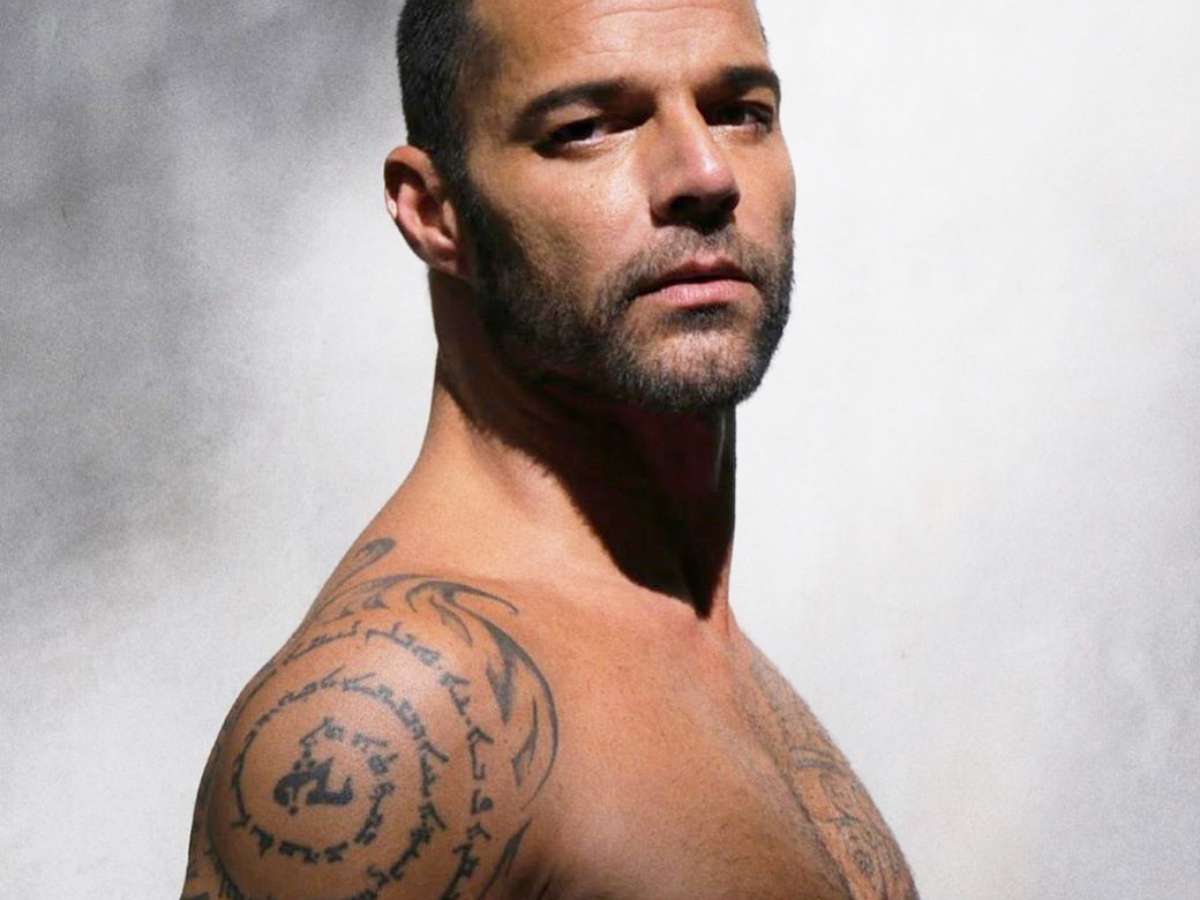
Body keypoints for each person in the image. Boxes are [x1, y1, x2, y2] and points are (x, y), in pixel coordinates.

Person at [182, 0, 919, 897]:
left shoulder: (692, 632)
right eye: (586, 129)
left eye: (739, 111)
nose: (705, 174)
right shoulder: (394, 713)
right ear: (434, 212)